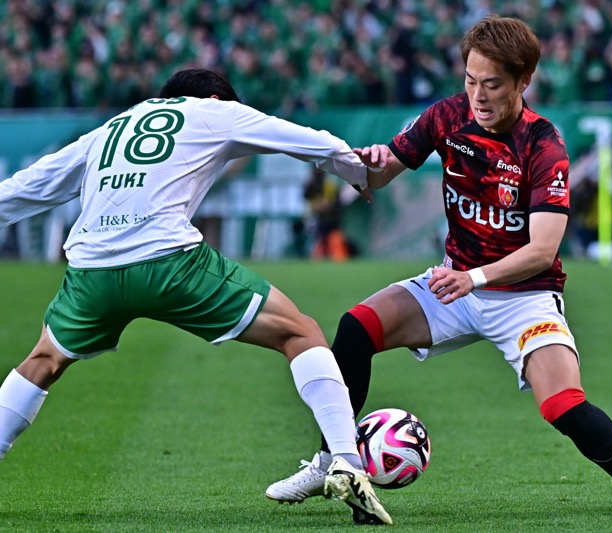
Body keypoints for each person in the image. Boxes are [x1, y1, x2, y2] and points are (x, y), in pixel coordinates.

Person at [266, 15, 612, 521]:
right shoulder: (447, 116)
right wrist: (363, 163)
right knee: (357, 328)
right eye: (470, 80)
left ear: (523, 81)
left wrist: (473, 278)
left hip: (524, 297)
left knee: (563, 405)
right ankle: (335, 460)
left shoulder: (543, 146)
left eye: (492, 84)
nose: (478, 96)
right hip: (453, 284)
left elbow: (542, 250)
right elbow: (381, 173)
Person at [0, 69, 391, 525]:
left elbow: (32, 185)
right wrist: (355, 171)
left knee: (43, 361)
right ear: (215, 98)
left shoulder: (110, 129)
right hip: (168, 261)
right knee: (300, 332)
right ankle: (346, 459)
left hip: (92, 270)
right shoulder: (213, 111)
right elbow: (304, 138)